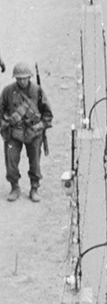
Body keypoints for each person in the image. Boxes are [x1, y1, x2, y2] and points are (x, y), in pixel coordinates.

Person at [2, 62, 51, 202]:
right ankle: (14, 187)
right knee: (11, 162)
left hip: (33, 133)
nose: (22, 81)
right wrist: (5, 125)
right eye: (19, 78)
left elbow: (47, 114)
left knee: (35, 162)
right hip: (14, 133)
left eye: (24, 78)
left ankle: (34, 188)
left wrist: (40, 126)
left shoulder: (37, 91)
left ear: (30, 77)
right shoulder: (7, 91)